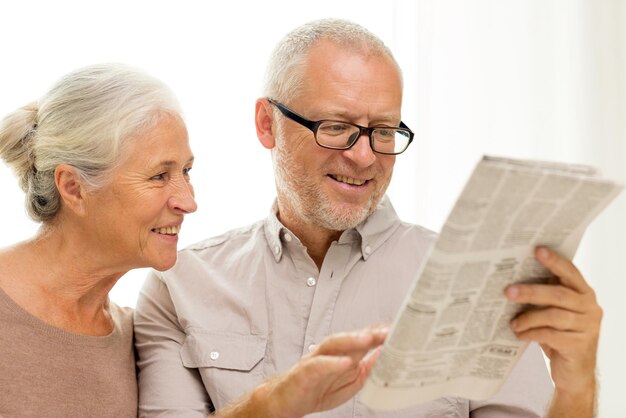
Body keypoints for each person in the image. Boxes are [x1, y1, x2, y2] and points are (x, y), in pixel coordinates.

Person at [134, 19, 602, 418]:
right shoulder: (179, 286)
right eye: (336, 127)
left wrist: (577, 385)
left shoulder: (482, 284)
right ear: (266, 124)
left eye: (383, 131)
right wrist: (275, 403)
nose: (363, 157)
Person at [0, 63, 388, 417]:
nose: (188, 202)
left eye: (186, 171)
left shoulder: (128, 335)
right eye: (158, 176)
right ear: (74, 187)